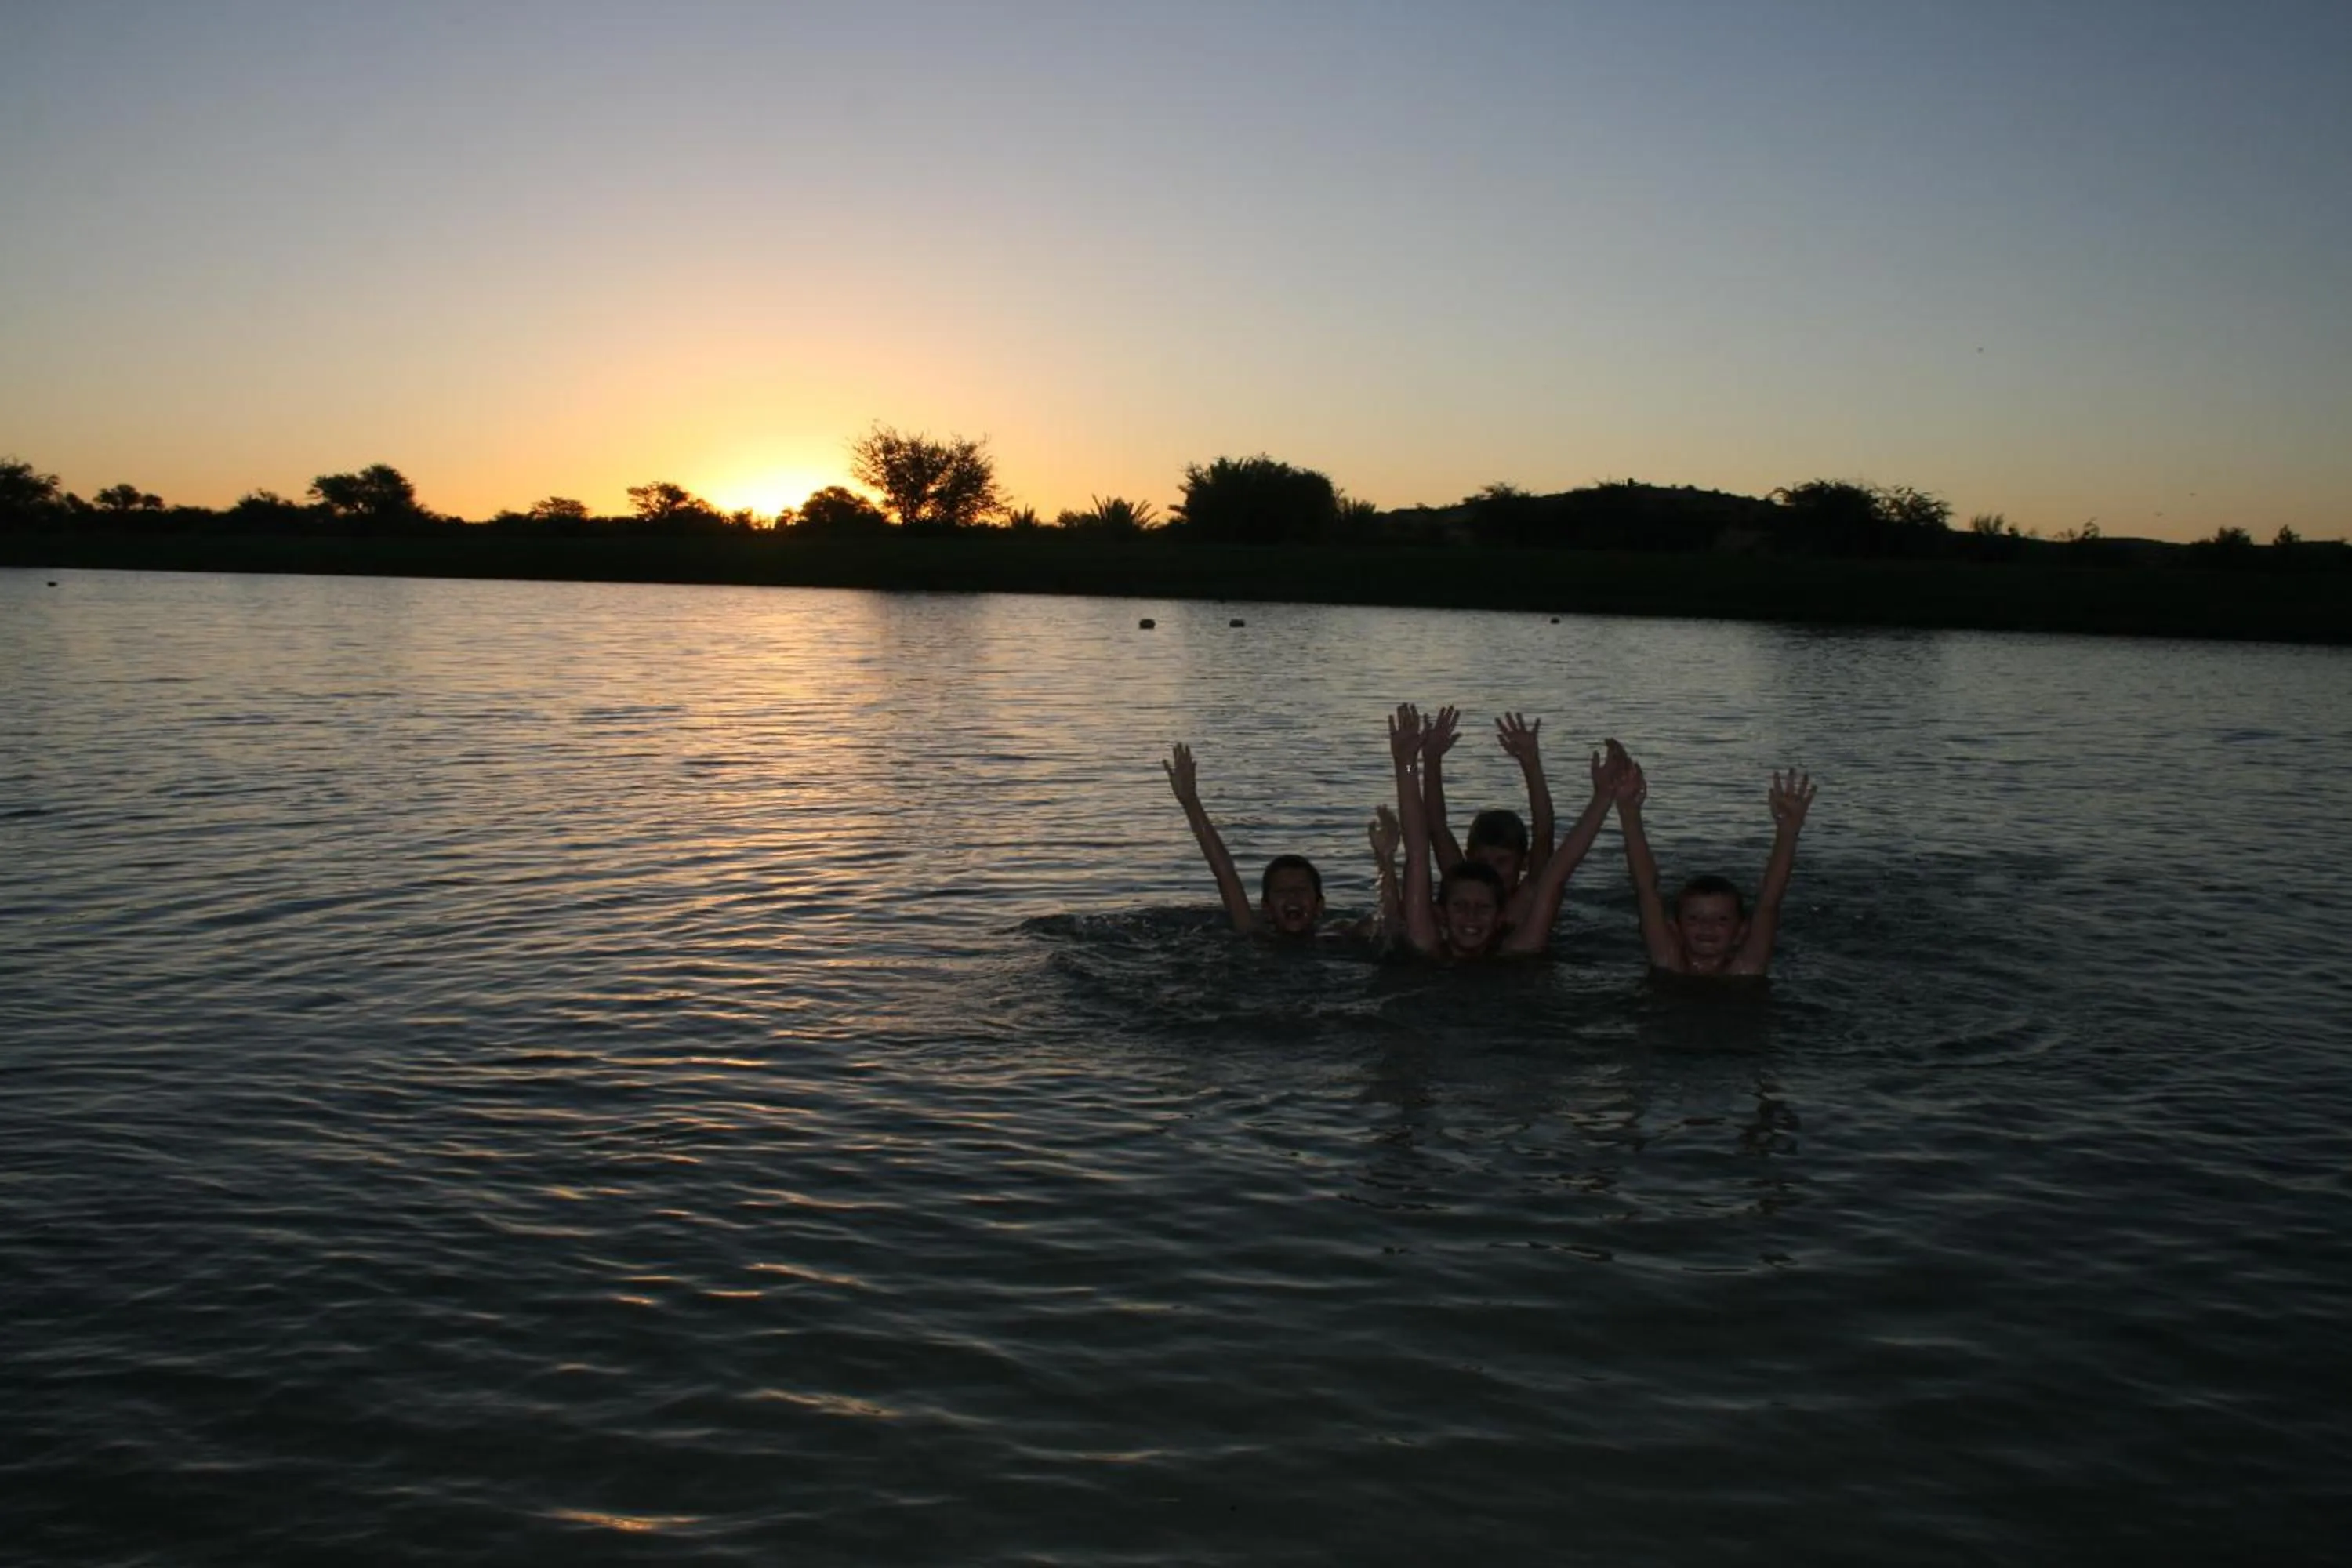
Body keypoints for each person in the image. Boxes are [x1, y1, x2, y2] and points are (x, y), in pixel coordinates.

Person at [1388, 703, 1621, 960]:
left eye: (1484, 908)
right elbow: (1427, 839)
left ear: (1499, 917)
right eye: (1459, 906)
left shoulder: (1519, 930)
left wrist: (1601, 796)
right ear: (1443, 911)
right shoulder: (1449, 905)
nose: (1471, 916)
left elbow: (1551, 856)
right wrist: (1412, 762)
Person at [1607, 739, 1817, 978]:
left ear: (1741, 932)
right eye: (1695, 918)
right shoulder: (1666, 959)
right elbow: (1646, 889)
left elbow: (1769, 903)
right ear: (1674, 929)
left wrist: (1788, 832)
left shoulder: (1747, 967)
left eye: (1722, 919)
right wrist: (1628, 811)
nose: (1708, 927)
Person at [1163, 742, 1326, 937]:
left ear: (1319, 905)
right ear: (1266, 907)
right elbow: (1224, 872)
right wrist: (1190, 801)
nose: (1292, 896)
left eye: (1301, 889)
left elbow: (1372, 927)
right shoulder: (1253, 931)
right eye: (1281, 891)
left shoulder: (1340, 936)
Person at [1419, 706, 1558, 934]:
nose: (1491, 871)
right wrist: (1431, 759)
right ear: (1469, 859)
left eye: (1502, 862)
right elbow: (1436, 827)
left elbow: (1544, 833)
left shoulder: (1527, 900)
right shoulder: (1463, 882)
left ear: (1524, 862)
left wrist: (1531, 763)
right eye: (1483, 862)